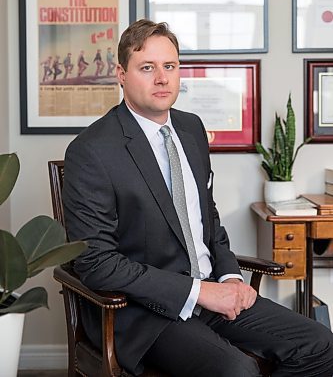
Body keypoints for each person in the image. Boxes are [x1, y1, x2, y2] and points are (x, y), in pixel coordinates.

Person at [63, 19, 333, 377]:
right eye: (147, 67)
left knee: (319, 343)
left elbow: (208, 220)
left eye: (169, 66)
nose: (162, 78)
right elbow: (96, 263)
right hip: (143, 312)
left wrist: (231, 279)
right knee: (236, 371)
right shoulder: (92, 151)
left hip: (214, 293)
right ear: (121, 74)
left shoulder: (190, 129)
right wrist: (198, 292)